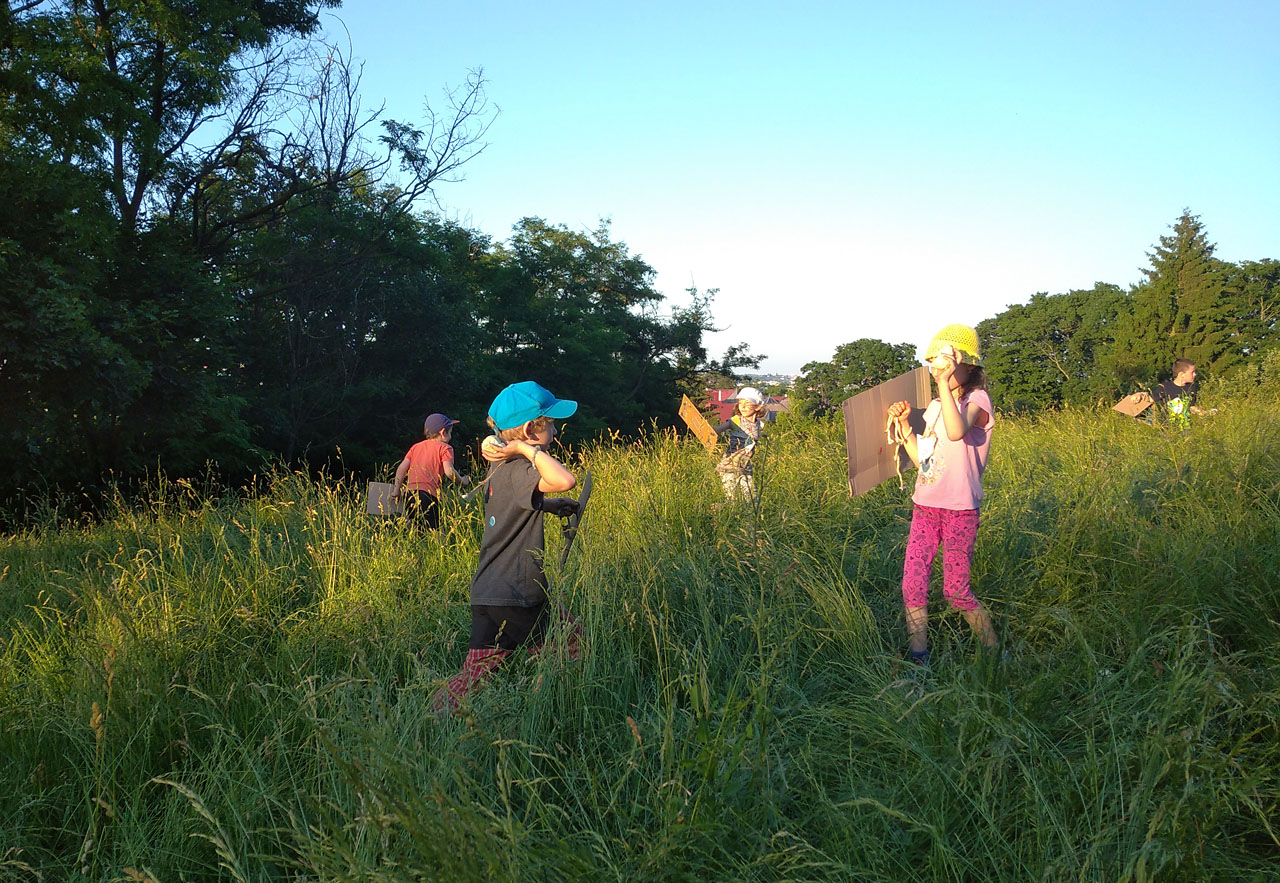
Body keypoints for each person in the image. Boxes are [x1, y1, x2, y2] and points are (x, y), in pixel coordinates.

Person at [432, 381, 583, 714]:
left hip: (489, 592)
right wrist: (528, 452)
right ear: (530, 430)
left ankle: (432, 718)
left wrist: (549, 505)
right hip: (518, 592)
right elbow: (566, 480)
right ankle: (564, 710)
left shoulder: (498, 467)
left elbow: (511, 506)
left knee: (473, 676)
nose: (554, 432)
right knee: (572, 645)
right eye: (550, 424)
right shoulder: (520, 466)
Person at [886, 325, 998, 666]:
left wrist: (943, 385)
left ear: (968, 365)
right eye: (934, 362)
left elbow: (956, 430)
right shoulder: (936, 406)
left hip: (959, 511)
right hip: (925, 507)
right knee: (912, 585)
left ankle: (996, 656)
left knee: (956, 592)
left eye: (946, 361)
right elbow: (925, 462)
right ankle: (919, 659)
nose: (939, 368)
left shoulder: (976, 401)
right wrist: (906, 428)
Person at [393, 413, 471, 530]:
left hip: (410, 495)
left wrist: (396, 490)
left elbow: (401, 469)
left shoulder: (415, 447)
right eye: (450, 432)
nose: (451, 436)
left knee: (417, 529)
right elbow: (449, 472)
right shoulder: (445, 448)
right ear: (443, 432)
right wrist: (462, 482)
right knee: (437, 532)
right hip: (428, 496)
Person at [713, 387, 767, 502]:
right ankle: (721, 510)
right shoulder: (736, 420)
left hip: (745, 466)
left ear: (758, 407)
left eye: (747, 403)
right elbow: (717, 430)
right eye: (740, 403)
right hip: (730, 466)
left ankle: (748, 515)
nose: (743, 406)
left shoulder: (758, 424)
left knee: (751, 498)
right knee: (731, 498)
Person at [1149, 358, 1208, 429]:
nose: (1195, 374)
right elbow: (1149, 399)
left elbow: (1191, 407)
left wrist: (1203, 412)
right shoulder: (1165, 388)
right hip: (1168, 429)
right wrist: (1140, 394)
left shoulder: (1192, 388)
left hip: (1186, 428)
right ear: (1181, 374)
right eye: (1192, 372)